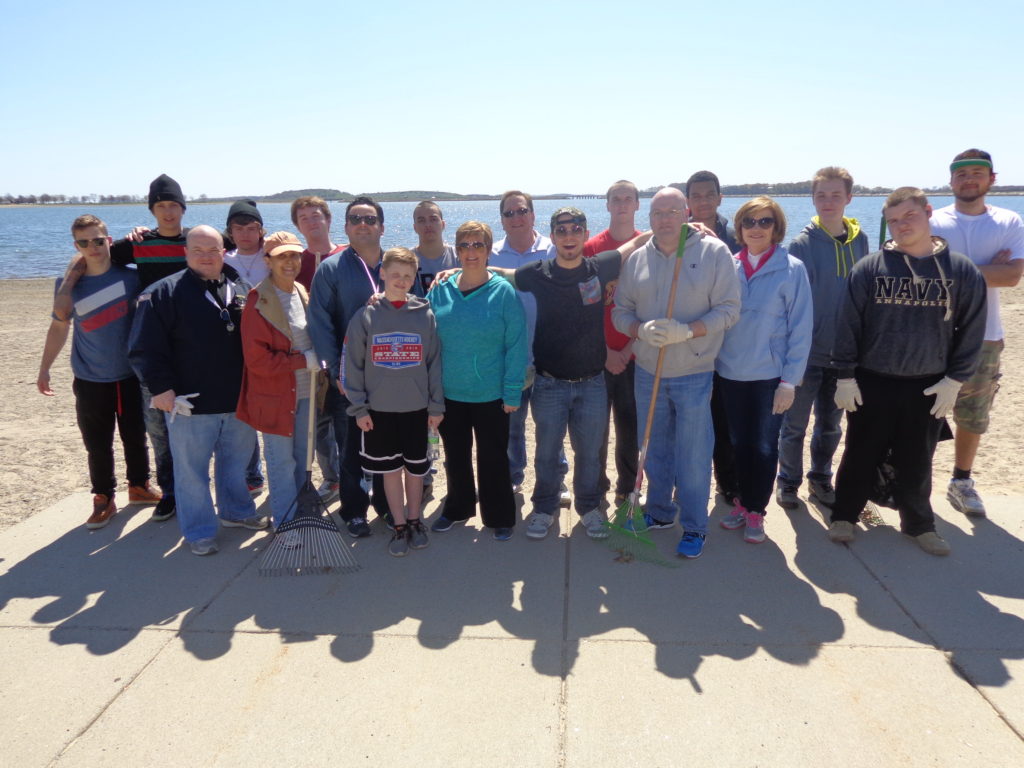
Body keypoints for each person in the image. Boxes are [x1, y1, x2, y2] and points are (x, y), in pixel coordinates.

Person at [828, 187, 987, 556]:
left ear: (928, 212)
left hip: (928, 385)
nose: (901, 226)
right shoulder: (870, 268)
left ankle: (918, 525)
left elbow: (973, 329)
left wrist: (955, 379)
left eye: (909, 217)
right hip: (872, 380)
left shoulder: (960, 271)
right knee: (859, 453)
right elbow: (848, 323)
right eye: (894, 221)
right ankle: (844, 515)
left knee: (918, 459)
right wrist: (845, 374)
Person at [488, 207, 647, 541]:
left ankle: (589, 508)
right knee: (546, 452)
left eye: (576, 229)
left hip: (592, 384)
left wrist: (684, 229)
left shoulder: (598, 267)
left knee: (589, 453)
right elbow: (503, 273)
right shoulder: (538, 273)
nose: (569, 236)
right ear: (554, 236)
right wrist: (460, 269)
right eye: (561, 230)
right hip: (549, 384)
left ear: (585, 234)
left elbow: (635, 244)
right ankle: (544, 508)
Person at [612, 187, 741, 559]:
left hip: (694, 370)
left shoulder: (714, 252)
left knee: (694, 454)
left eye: (671, 212)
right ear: (648, 218)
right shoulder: (637, 259)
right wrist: (639, 330)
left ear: (685, 213)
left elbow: (730, 310)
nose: (664, 220)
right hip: (648, 371)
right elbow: (622, 311)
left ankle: (696, 526)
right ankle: (659, 511)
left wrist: (689, 330)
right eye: (657, 214)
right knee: (653, 449)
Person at [54, 173, 186, 523]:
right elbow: (64, 310)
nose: (168, 212)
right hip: (117, 367)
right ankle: (128, 494)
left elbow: (230, 250)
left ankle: (150, 485)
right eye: (161, 206)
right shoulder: (123, 254)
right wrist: (68, 281)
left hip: (160, 361)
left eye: (173, 204)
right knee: (125, 436)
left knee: (153, 433)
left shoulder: (190, 245)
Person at [129, 225, 266, 556]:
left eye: (213, 250)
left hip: (237, 400)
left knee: (235, 465)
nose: (206, 257)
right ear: (186, 253)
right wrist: (161, 390)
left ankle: (236, 512)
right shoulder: (162, 293)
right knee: (191, 474)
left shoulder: (241, 286)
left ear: (224, 251)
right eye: (198, 250)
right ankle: (200, 531)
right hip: (189, 404)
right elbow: (143, 348)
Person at [308, 196, 425, 538]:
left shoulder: (398, 265)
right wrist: (335, 374)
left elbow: (418, 309)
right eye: (355, 218)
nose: (363, 224)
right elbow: (321, 324)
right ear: (345, 227)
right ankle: (354, 510)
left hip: (394, 379)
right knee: (351, 449)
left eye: (370, 219)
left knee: (391, 448)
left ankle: (389, 509)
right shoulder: (330, 268)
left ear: (382, 227)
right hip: (352, 380)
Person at [37, 214, 159, 529]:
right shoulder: (67, 288)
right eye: (83, 242)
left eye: (98, 240)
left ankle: (139, 486)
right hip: (90, 377)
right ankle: (104, 496)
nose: (92, 247)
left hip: (130, 375)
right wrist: (44, 368)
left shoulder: (131, 278)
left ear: (108, 240)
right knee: (97, 442)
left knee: (135, 436)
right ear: (76, 245)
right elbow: (58, 328)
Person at [929, 149, 1024, 517]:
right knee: (924, 411)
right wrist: (985, 270)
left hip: (986, 333)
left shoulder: (1009, 221)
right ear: (951, 180)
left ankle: (961, 481)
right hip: (932, 333)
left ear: (991, 179)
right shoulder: (933, 221)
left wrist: (956, 271)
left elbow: (1012, 276)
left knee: (973, 413)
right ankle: (916, 479)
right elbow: (928, 278)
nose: (969, 179)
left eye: (977, 173)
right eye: (962, 174)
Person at [715, 197, 812, 544]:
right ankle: (741, 502)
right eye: (750, 222)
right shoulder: (728, 265)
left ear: (776, 227)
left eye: (765, 221)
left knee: (765, 445)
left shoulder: (793, 269)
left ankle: (757, 510)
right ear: (739, 228)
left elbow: (801, 329)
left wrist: (790, 381)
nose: (757, 228)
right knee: (739, 443)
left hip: (770, 376)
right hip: (729, 372)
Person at [776, 167, 869, 509]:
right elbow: (793, 303)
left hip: (845, 355)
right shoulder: (802, 243)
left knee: (831, 426)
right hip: (807, 355)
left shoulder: (860, 240)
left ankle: (820, 479)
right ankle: (787, 481)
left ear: (848, 198)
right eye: (821, 195)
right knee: (794, 425)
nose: (828, 202)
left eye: (835, 195)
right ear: (813, 199)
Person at [429, 221, 527, 540]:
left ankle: (499, 516)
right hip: (450, 394)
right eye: (464, 245)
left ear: (488, 250)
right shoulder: (439, 290)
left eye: (478, 245)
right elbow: (426, 340)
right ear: (456, 251)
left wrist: (512, 392)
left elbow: (516, 344)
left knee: (493, 458)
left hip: (491, 394)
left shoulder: (503, 292)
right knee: (455, 457)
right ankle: (457, 509)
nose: (471, 252)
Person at [344, 247, 444, 557]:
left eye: (407, 276)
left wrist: (436, 406)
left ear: (414, 278)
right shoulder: (366, 316)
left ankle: (415, 520)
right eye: (395, 274)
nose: (401, 281)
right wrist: (358, 408)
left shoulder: (425, 315)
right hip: (379, 411)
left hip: (417, 410)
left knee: (415, 472)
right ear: (382, 274)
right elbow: (353, 365)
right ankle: (398, 524)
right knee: (389, 472)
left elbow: (434, 364)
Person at [237, 232, 322, 543]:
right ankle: (284, 523)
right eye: (282, 256)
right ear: (267, 260)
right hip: (275, 398)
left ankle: (300, 513)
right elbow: (257, 361)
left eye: (295, 255)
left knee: (303, 457)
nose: (290, 262)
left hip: (306, 393)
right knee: (281, 461)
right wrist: (302, 360)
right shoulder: (259, 301)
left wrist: (319, 357)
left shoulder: (301, 291)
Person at [490, 190, 569, 503]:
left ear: (533, 215)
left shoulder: (553, 249)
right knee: (512, 425)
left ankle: (557, 480)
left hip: (550, 354)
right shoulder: (491, 254)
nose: (516, 218)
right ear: (502, 220)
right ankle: (513, 477)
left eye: (521, 211)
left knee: (552, 426)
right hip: (510, 358)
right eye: (509, 213)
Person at [685, 170, 742, 509]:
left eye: (709, 194)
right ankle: (685, 483)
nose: (703, 201)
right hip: (689, 344)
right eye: (696, 195)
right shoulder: (676, 236)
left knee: (723, 421)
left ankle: (728, 484)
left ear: (720, 198)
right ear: (688, 201)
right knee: (689, 422)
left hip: (727, 344)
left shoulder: (737, 236)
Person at [583, 180, 642, 505]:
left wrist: (628, 349)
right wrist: (606, 352)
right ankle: (597, 487)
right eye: (616, 199)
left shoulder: (648, 245)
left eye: (628, 199)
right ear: (607, 205)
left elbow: (655, 305)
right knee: (596, 431)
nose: (621, 204)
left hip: (636, 354)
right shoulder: (593, 248)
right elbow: (584, 308)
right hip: (598, 357)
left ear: (636, 204)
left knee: (630, 428)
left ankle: (628, 487)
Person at [291, 195, 344, 502]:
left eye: (316, 216)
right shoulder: (293, 260)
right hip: (310, 356)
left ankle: (358, 476)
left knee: (348, 420)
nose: (311, 222)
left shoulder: (346, 255)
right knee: (320, 423)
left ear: (328, 219)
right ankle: (332, 477)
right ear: (298, 225)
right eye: (304, 218)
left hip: (345, 351)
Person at [223, 199, 269, 496]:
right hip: (234, 346)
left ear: (260, 230)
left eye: (251, 228)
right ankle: (252, 473)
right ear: (229, 231)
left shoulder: (272, 256)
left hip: (271, 343)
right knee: (244, 413)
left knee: (273, 408)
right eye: (238, 228)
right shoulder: (223, 260)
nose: (245, 234)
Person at [411, 200, 459, 294]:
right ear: (415, 227)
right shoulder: (406, 260)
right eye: (421, 220)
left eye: (433, 219)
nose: (428, 225)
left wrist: (459, 271)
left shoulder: (459, 257)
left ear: (443, 224)